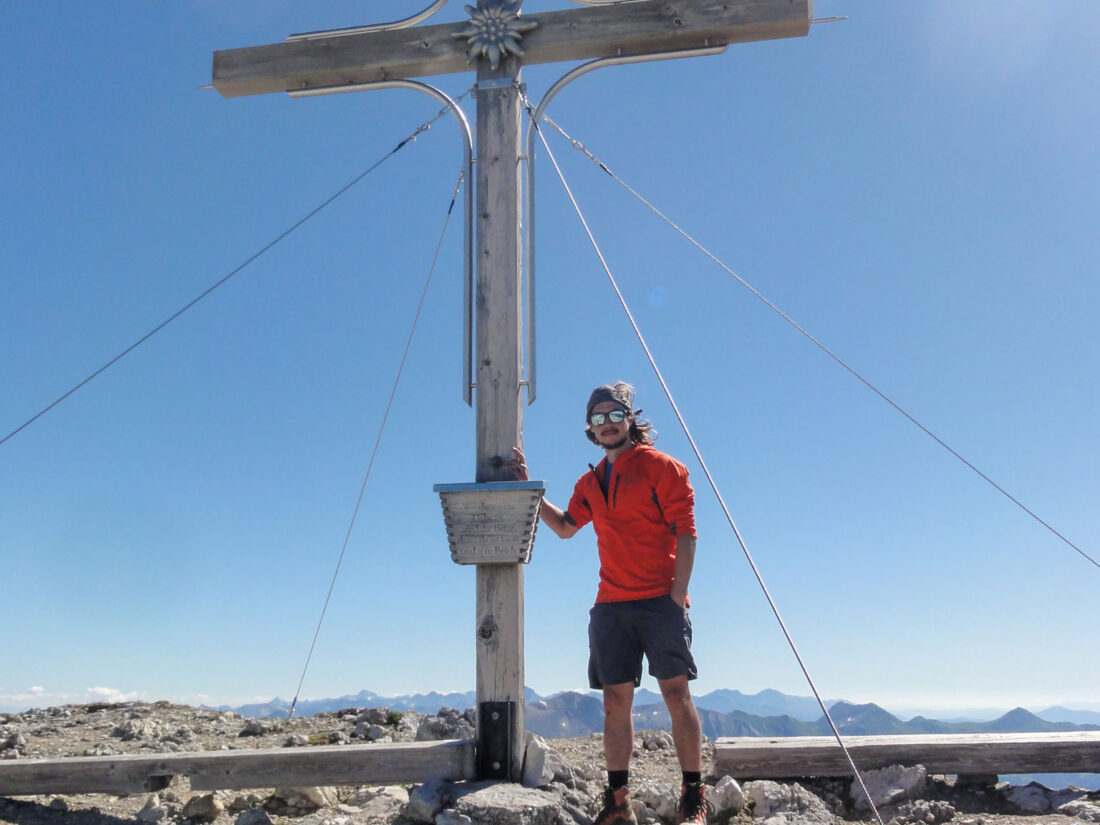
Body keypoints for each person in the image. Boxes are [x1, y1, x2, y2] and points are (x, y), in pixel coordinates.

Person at [510, 382, 707, 825]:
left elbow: (687, 532)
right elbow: (564, 527)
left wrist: (676, 598)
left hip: (660, 602)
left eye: (614, 415)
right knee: (614, 704)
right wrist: (531, 492)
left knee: (676, 694)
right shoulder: (590, 481)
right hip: (611, 605)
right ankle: (618, 802)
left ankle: (693, 797)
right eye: (597, 419)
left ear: (630, 418)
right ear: (590, 429)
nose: (607, 424)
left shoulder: (664, 468)